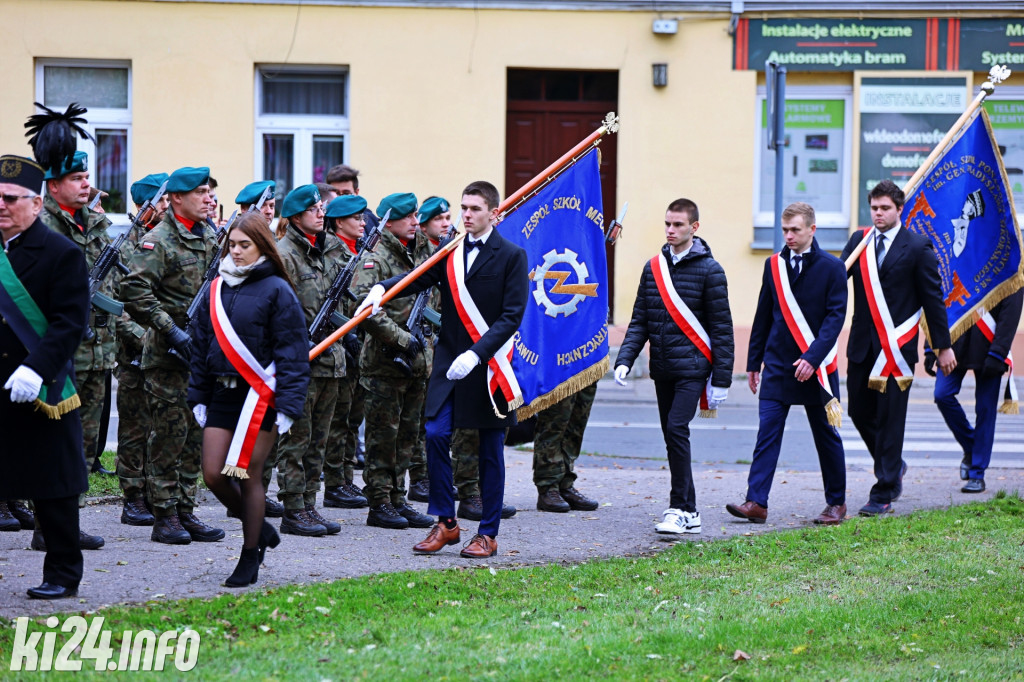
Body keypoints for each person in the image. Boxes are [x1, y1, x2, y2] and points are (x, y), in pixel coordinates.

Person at [357, 180, 528, 558]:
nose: (466, 215)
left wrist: (477, 354)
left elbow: (512, 316)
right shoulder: (451, 251)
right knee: (435, 433)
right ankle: (446, 523)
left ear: (494, 214)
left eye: (474, 209)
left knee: (489, 450)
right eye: (463, 208)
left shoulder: (512, 256)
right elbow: (417, 277)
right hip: (450, 362)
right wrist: (382, 288)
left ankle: (487, 533)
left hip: (488, 365)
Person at [188, 213, 310, 586]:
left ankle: (249, 554)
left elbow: (293, 351)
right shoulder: (216, 287)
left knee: (248, 475)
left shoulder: (277, 289)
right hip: (222, 393)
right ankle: (260, 528)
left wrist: (289, 405)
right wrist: (198, 395)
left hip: (261, 396)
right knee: (213, 474)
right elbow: (201, 345)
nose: (237, 251)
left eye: (245, 245)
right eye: (232, 245)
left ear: (262, 247)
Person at [613, 198, 734, 535]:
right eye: (667, 223)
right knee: (671, 435)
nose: (670, 230)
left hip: (693, 366)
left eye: (678, 224)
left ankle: (678, 508)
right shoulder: (653, 268)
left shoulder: (711, 270)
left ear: (694, 227)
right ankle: (691, 511)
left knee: (678, 428)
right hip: (663, 367)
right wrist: (624, 360)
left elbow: (722, 328)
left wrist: (722, 379)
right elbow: (640, 320)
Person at [0, 154, 90, 599]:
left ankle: (62, 573)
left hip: (40, 385)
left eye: (11, 199)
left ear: (36, 204)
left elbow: (69, 323)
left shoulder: (61, 253)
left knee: (54, 486)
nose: (1, 206)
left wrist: (36, 369)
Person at [120, 166, 226, 544]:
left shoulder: (209, 236)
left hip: (203, 355)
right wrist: (171, 330)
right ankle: (164, 514)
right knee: (168, 437)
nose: (209, 198)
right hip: (168, 356)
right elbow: (134, 291)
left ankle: (185, 509)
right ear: (177, 198)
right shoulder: (159, 240)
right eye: (201, 192)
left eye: (209, 192)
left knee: (195, 436)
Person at [725, 202, 848, 526]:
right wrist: (753, 362)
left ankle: (836, 503)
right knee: (767, 433)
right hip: (778, 365)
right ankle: (756, 502)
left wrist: (812, 357)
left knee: (827, 436)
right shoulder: (773, 266)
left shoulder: (833, 267)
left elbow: (835, 319)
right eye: (785, 230)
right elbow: (763, 315)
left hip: (817, 369)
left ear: (812, 229)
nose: (789, 236)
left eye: (795, 230)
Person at [841, 180, 955, 516]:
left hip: (896, 349)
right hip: (861, 346)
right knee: (858, 412)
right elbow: (837, 279)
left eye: (885, 208)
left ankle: (884, 490)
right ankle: (894, 464)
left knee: (891, 419)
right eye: (874, 208)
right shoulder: (859, 241)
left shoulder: (917, 247)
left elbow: (933, 300)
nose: (878, 214)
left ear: (899, 209)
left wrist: (942, 346)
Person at [352, 193, 435, 530]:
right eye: (407, 216)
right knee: (382, 437)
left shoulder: (423, 252)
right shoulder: (376, 258)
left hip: (418, 361)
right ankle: (380, 501)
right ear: (389, 222)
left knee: (408, 436)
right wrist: (402, 339)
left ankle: (398, 498)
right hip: (385, 363)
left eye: (416, 215)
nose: (415, 221)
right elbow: (364, 307)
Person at [273, 184, 345, 537]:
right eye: (313, 209)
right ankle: (292, 508)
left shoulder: (326, 250)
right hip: (300, 361)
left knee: (318, 440)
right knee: (296, 439)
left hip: (331, 360)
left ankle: (309, 503)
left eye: (321, 207)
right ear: (296, 217)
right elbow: (275, 309)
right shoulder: (283, 254)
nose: (321, 213)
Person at [929, 288, 1022, 493]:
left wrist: (998, 352)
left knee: (985, 410)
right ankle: (973, 447)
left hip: (990, 345)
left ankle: (977, 473)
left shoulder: (1010, 267)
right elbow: (939, 300)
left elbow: (1011, 311)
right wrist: (931, 347)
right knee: (942, 395)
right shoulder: (956, 263)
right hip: (953, 344)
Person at [115, 172, 169, 527]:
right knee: (135, 427)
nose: (166, 205)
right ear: (143, 205)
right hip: (135, 352)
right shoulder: (126, 245)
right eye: (161, 200)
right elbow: (115, 305)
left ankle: (154, 490)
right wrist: (145, 337)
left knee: (159, 426)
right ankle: (132, 495)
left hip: (163, 349)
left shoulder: (168, 241)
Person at [322, 194, 370, 510]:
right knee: (338, 420)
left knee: (353, 418)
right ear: (339, 222)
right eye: (356, 218)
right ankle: (334, 483)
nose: (363, 223)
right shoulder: (331, 253)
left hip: (360, 345)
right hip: (339, 346)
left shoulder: (361, 251)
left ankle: (346, 478)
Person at [407, 196, 451, 502]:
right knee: (419, 419)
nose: (446, 223)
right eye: (439, 219)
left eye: (448, 218)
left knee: (435, 416)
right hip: (420, 343)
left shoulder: (448, 250)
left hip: (439, 345)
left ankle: (432, 476)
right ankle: (419, 478)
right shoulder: (422, 253)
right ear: (423, 225)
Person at [532, 380, 600, 513]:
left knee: (575, 427)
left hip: (584, 368)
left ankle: (565, 485)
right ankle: (548, 487)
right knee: (553, 426)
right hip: (557, 371)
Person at [326, 164, 378, 230]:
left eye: (346, 193)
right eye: (337, 193)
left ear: (356, 192)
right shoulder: (321, 220)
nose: (340, 198)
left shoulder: (370, 220)